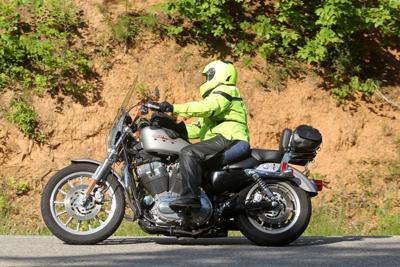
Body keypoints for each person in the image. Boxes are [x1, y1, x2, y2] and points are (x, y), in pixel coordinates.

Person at [158, 60, 250, 209]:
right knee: (195, 165)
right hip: (222, 139)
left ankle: (190, 199)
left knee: (189, 153)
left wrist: (174, 108)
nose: (206, 80)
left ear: (221, 74)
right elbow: (200, 129)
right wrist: (174, 127)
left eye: (208, 76)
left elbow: (207, 107)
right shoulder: (215, 98)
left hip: (232, 139)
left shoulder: (227, 91)